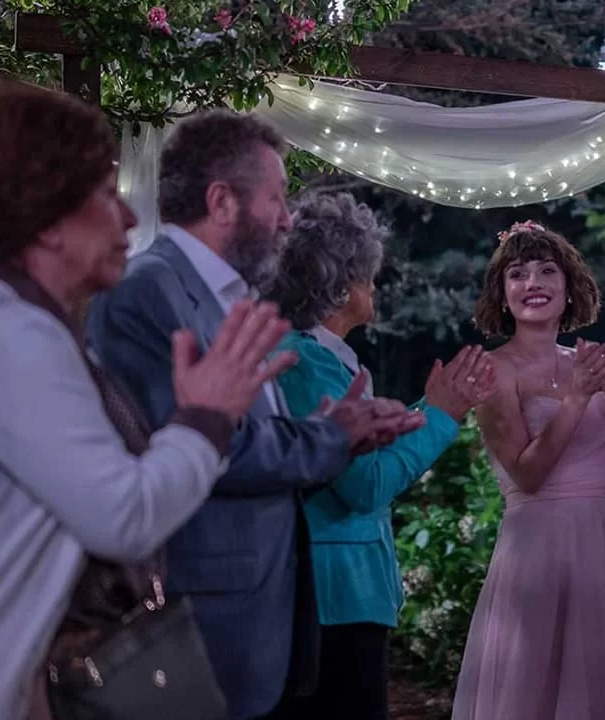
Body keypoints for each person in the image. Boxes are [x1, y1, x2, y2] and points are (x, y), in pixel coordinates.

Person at [0, 81, 293, 720]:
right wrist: (207, 416)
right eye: (107, 195)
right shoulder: (12, 339)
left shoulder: (19, 327)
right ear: (48, 222)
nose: (131, 218)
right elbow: (125, 517)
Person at [86, 110, 422, 720]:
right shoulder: (147, 293)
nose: (288, 219)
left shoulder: (228, 300)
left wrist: (331, 431)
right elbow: (197, 449)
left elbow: (242, 433)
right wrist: (329, 438)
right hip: (203, 617)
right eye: (277, 198)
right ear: (222, 202)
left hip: (260, 618)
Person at [264, 189, 495, 720]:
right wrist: (442, 416)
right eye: (368, 273)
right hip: (334, 595)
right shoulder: (306, 363)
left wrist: (430, 408)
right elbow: (365, 484)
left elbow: (364, 449)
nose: (375, 283)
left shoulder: (317, 357)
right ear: (342, 284)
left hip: (337, 595)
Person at [451, 221, 605, 719]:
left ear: (570, 287)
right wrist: (574, 401)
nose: (533, 283)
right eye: (517, 274)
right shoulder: (495, 371)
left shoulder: (588, 365)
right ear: (502, 294)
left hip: (600, 544)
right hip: (536, 548)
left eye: (547, 271)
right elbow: (527, 475)